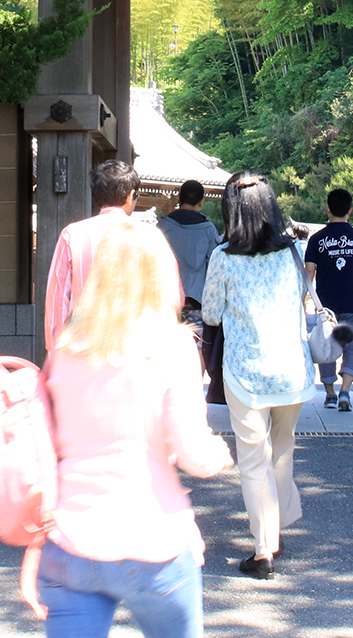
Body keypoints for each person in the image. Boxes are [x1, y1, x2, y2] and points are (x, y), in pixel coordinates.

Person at [42, 219, 234, 637]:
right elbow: (192, 454)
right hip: (153, 538)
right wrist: (220, 453)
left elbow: (51, 443)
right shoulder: (173, 344)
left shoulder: (64, 349)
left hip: (70, 541)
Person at [201, 172, 316, 579]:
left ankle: (263, 549)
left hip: (245, 372)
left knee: (253, 460)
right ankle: (276, 532)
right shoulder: (293, 253)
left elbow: (212, 313)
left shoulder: (223, 258)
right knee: (282, 451)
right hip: (291, 370)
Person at [46, 160, 177, 350]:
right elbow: (172, 298)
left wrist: (54, 352)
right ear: (131, 196)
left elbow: (57, 301)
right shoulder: (151, 237)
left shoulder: (71, 234)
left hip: (81, 352)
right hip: (136, 351)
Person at [305, 188, 353, 410]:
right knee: (352, 347)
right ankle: (346, 391)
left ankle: (330, 393)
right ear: (349, 211)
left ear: (328, 209)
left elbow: (309, 272)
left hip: (326, 304)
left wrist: (307, 297)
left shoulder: (316, 239)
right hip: (351, 302)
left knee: (326, 346)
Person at [159, 180, 220, 309]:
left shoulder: (163, 226)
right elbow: (214, 265)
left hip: (166, 296)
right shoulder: (209, 230)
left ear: (179, 198)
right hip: (197, 298)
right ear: (201, 201)